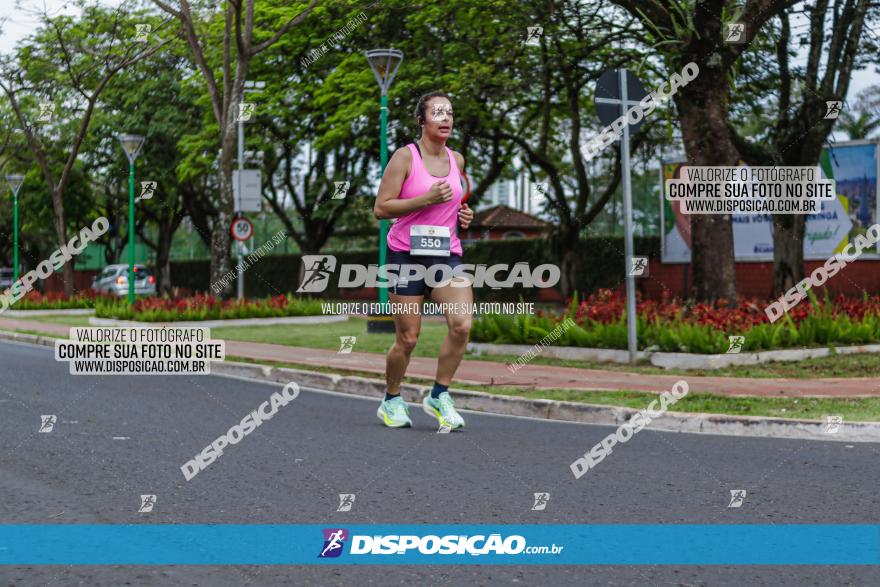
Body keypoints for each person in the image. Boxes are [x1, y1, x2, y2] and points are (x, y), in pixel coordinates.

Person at [373, 91, 474, 430]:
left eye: (450, 112)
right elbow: (382, 208)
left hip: (445, 253)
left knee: (461, 325)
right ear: (422, 120)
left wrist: (463, 215)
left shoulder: (456, 160)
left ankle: (439, 394)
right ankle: (391, 398)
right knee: (408, 339)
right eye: (438, 113)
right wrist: (424, 198)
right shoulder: (405, 157)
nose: (446, 119)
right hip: (405, 254)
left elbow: (452, 204)